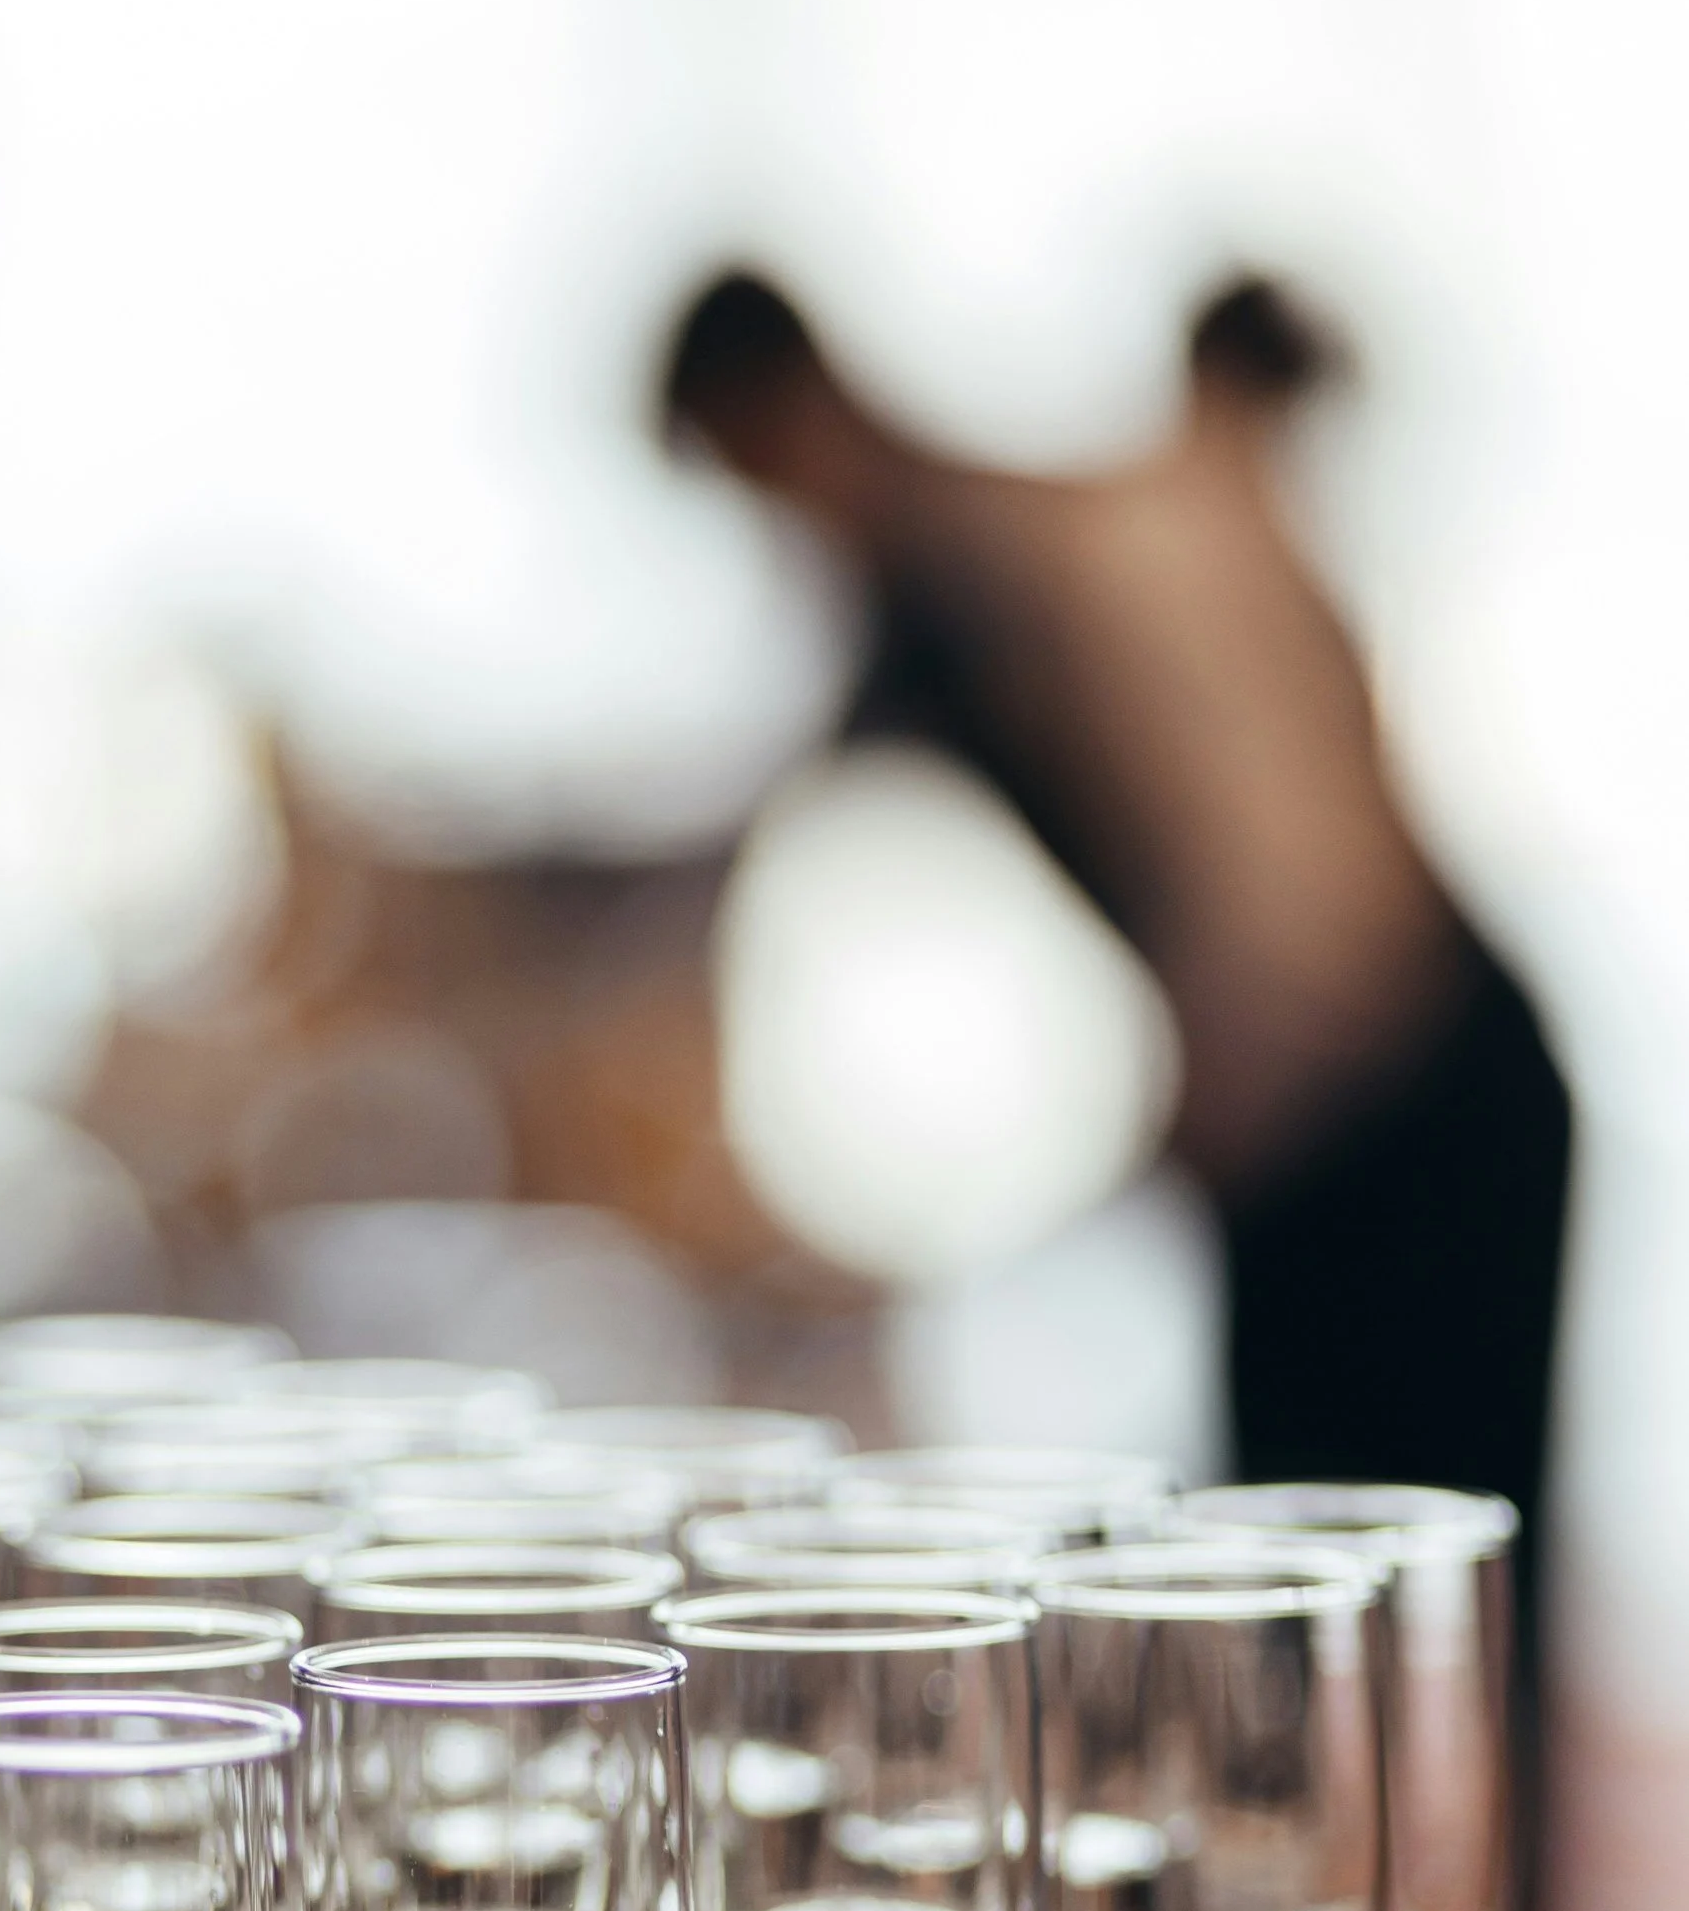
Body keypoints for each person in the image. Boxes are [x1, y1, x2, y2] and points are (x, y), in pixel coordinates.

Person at [660, 269, 1574, 1623]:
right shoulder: (938, 586)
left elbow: (1328, 908)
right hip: (1350, 1114)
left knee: (1403, 1633)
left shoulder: (1033, 562)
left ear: (785, 415)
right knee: (1314, 1632)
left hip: (1420, 1110)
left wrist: (1226, 1094)